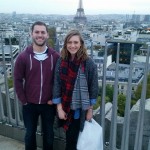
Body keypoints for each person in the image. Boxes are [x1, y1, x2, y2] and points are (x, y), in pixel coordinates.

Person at [14, 21, 60, 150]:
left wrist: (54, 99)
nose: (40, 35)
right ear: (31, 34)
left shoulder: (56, 57)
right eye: (37, 32)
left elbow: (59, 81)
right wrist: (24, 100)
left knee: (49, 135)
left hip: (49, 104)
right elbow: (17, 80)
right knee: (29, 135)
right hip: (29, 104)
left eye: (42, 32)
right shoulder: (23, 57)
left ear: (47, 35)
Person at [52, 29, 98, 150]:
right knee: (70, 142)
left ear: (81, 44)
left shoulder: (89, 64)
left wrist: (90, 110)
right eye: (70, 42)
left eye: (76, 42)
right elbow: (57, 84)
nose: (72, 45)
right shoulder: (61, 61)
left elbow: (93, 87)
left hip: (80, 110)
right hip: (67, 108)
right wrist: (59, 108)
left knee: (79, 141)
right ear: (66, 44)